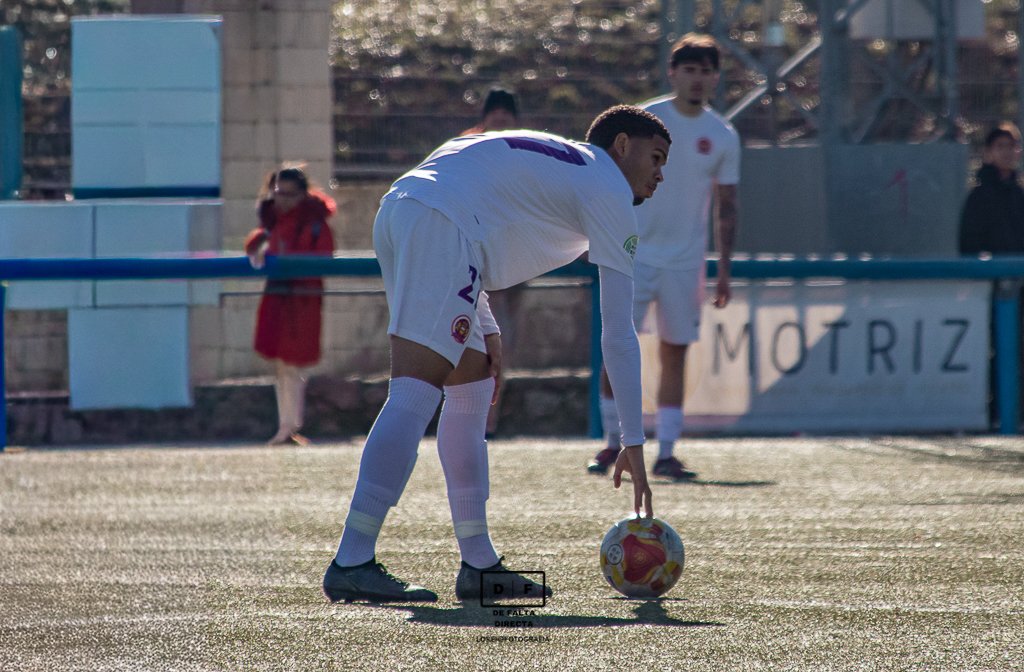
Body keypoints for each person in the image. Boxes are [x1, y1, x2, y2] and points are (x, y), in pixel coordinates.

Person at [322, 105, 669, 603]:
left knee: (472, 384)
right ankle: (352, 558)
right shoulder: (610, 186)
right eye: (656, 158)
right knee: (414, 393)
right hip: (440, 221)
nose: (660, 175)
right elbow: (617, 331)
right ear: (621, 147)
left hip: (410, 209)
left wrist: (487, 326)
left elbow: (475, 202)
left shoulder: (571, 163)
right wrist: (632, 441)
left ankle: (479, 563)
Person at [587, 33, 740, 482]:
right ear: (673, 72)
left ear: (716, 77)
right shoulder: (647, 120)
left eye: (706, 70)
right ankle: (612, 444)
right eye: (689, 69)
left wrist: (724, 269)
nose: (697, 79)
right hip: (632, 252)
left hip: (685, 261)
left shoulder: (722, 135)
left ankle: (667, 453)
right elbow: (604, 178)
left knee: (675, 352)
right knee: (617, 344)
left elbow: (727, 207)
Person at [245, 165, 336, 445]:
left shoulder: (314, 221)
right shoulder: (273, 220)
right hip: (279, 294)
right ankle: (287, 425)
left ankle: (290, 425)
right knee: (282, 364)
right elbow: (261, 243)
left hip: (302, 298)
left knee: (292, 363)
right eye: (278, 193)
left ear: (302, 194)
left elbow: (322, 257)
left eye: (289, 195)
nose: (282, 200)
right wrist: (257, 247)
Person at [460, 86, 524, 437]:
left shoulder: (525, 151)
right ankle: (466, 415)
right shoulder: (467, 149)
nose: (500, 122)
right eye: (494, 116)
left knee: (501, 343)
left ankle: (488, 420)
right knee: (464, 338)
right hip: (471, 260)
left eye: (506, 116)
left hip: (510, 263)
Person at [959, 122, 1024, 255]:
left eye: (1011, 146)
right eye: (1000, 146)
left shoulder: (1019, 194)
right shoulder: (979, 196)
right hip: (991, 272)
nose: (1007, 152)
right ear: (988, 152)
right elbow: (969, 243)